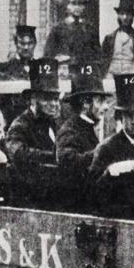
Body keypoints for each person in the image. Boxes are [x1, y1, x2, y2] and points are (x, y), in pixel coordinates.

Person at [89, 71, 134, 219]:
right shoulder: (107, 148)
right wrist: (111, 171)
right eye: (129, 115)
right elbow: (93, 193)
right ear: (120, 117)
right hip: (119, 222)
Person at [5, 58, 63, 203]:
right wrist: (54, 155)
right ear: (33, 99)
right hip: (29, 201)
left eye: (56, 99)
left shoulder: (57, 124)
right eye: (47, 99)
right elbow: (18, 154)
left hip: (53, 196)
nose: (54, 105)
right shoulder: (19, 126)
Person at [56, 62, 110, 209]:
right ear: (85, 103)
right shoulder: (69, 131)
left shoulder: (88, 128)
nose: (106, 107)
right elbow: (68, 162)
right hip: (77, 209)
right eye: (100, 101)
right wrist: (104, 152)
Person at [44, 0, 102, 64]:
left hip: (84, 70)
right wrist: (58, 58)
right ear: (67, 6)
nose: (77, 7)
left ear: (84, 7)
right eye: (73, 4)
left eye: (80, 4)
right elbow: (48, 54)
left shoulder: (90, 28)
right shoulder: (58, 28)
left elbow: (97, 55)